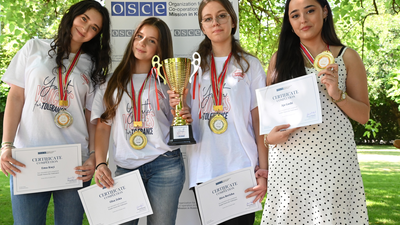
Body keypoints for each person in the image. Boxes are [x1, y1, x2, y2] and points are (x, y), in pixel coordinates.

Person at [0, 0, 111, 224]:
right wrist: (6, 145)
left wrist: (92, 156)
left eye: (94, 28)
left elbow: (91, 116)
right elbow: (16, 96)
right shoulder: (34, 47)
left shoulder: (92, 65)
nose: (86, 29)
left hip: (74, 162)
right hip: (28, 159)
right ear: (73, 16)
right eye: (84, 19)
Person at [260, 0, 370, 224]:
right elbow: (270, 118)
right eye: (295, 15)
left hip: (334, 157)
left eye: (310, 10)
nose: (303, 19)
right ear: (289, 23)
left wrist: (338, 94)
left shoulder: (347, 56)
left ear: (325, 12)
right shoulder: (278, 60)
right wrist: (268, 139)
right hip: (289, 158)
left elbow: (363, 115)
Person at [168, 0, 268, 224]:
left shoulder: (250, 65)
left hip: (242, 166)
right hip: (204, 167)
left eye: (222, 16)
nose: (216, 23)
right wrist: (180, 111)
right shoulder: (193, 68)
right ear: (202, 27)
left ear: (233, 21)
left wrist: (263, 169)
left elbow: (259, 121)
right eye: (208, 18)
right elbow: (186, 115)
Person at [92, 17, 186, 225]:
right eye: (139, 36)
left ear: (160, 48)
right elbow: (102, 128)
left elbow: (179, 124)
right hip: (126, 167)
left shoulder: (168, 84)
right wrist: (100, 163)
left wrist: (181, 108)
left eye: (151, 40)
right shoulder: (110, 84)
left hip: (165, 165)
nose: (142, 43)